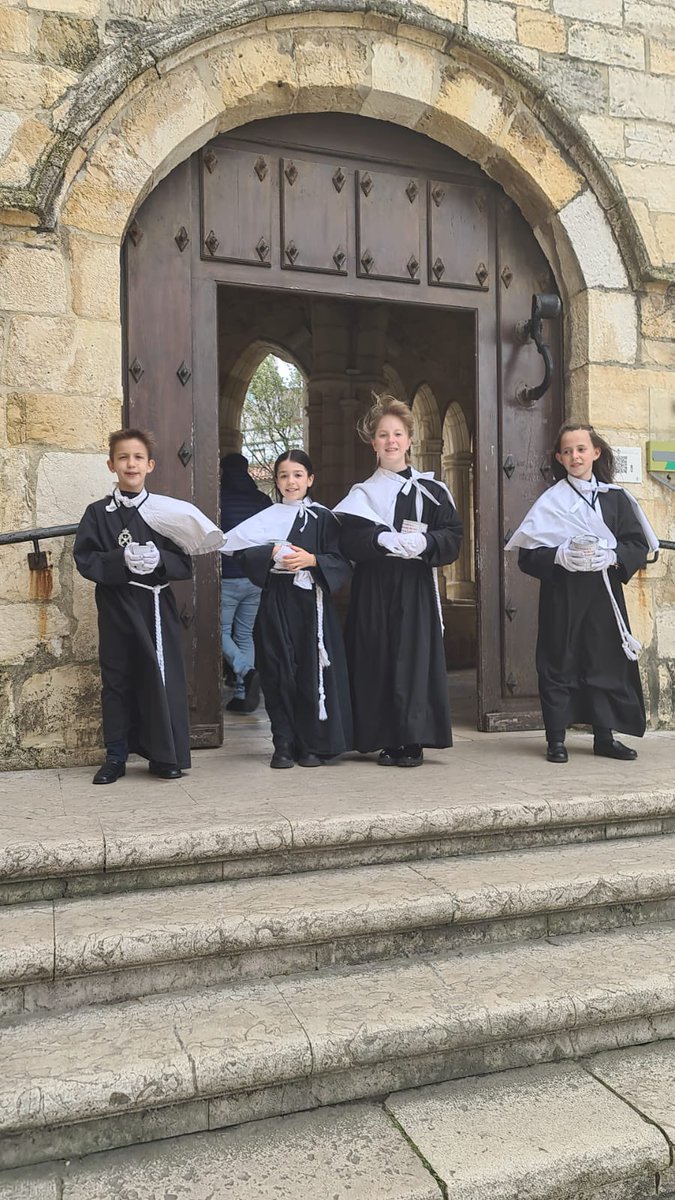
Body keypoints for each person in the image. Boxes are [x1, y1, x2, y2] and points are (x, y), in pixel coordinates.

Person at [74, 427, 226, 784]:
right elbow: (85, 559)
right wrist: (120, 560)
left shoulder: (164, 512)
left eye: (138, 457)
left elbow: (184, 563)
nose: (131, 464)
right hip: (116, 607)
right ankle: (115, 756)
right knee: (117, 679)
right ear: (111, 464)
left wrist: (159, 560)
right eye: (124, 457)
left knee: (161, 676)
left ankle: (164, 754)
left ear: (150, 465)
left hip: (156, 607)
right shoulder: (97, 513)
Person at [505, 423, 658, 764]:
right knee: (558, 662)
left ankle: (604, 737)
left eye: (581, 449)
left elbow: (636, 544)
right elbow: (528, 556)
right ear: (559, 458)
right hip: (563, 596)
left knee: (603, 661)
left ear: (595, 452)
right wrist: (559, 556)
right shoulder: (551, 502)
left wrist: (614, 556)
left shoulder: (617, 500)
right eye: (568, 451)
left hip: (604, 596)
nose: (575, 456)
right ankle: (556, 740)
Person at [334, 396, 464, 767]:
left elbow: (453, 537)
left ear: (409, 440)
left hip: (414, 585)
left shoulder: (432, 491)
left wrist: (425, 542)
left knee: (412, 658)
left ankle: (411, 739)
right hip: (373, 586)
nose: (390, 441)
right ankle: (380, 736)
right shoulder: (361, 494)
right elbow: (346, 541)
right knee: (375, 656)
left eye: (398, 434)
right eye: (382, 435)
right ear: (372, 442)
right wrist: (379, 540)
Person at [221, 449, 353, 769]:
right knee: (278, 670)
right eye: (283, 475)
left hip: (313, 604)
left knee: (310, 671)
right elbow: (238, 551)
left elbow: (343, 561)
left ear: (310, 479)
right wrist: (269, 553)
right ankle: (282, 743)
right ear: (276, 482)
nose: (290, 482)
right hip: (277, 599)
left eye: (297, 475)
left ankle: (310, 744)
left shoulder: (325, 518)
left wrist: (313, 560)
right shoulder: (266, 517)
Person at [219, 452, 272, 714]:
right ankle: (242, 695)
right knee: (244, 634)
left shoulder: (216, 499)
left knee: (219, 633)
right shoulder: (260, 499)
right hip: (254, 578)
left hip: (226, 577)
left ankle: (245, 671)